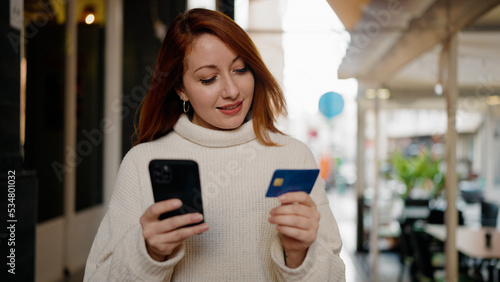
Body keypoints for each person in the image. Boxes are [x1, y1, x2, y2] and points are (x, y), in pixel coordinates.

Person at [84, 8, 345, 281]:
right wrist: (149, 253)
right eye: (208, 78)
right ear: (180, 88)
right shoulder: (142, 162)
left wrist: (299, 255)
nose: (232, 91)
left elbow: (336, 275)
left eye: (240, 69)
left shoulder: (293, 156)